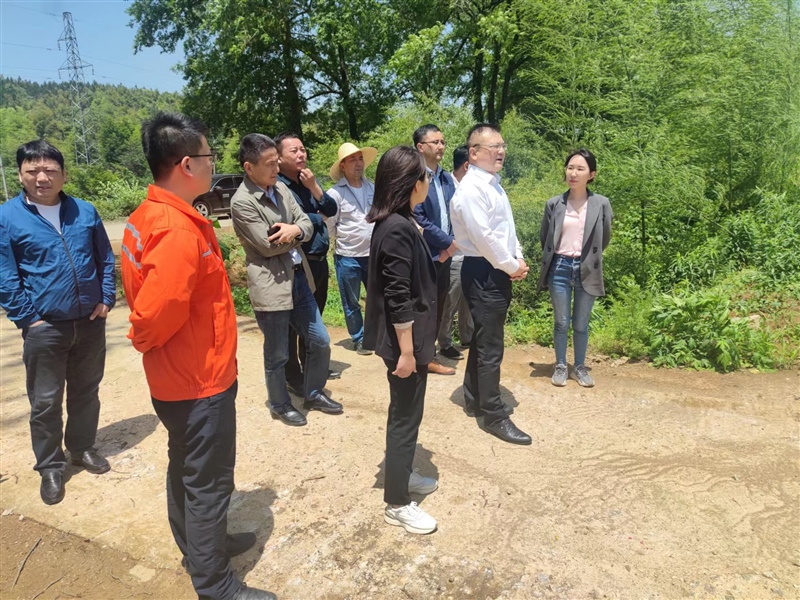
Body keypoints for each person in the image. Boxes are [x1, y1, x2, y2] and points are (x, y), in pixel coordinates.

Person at [120, 112, 275, 600]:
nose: (214, 163)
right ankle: (215, 585)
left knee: (185, 467)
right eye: (209, 156)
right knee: (208, 483)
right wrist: (143, 337)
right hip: (196, 382)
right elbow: (155, 312)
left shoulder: (154, 214)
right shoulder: (175, 229)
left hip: (180, 377)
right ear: (187, 164)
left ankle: (201, 548)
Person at [0, 140, 115, 506]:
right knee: (46, 401)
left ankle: (81, 448)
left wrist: (106, 298)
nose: (42, 177)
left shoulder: (84, 211)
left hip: (90, 322)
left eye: (49, 170)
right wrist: (29, 319)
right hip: (45, 328)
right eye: (32, 170)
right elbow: (5, 275)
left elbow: (105, 258)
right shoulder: (7, 217)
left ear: (63, 174)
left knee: (86, 391)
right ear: (20, 174)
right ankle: (50, 465)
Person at [231, 134, 342, 427]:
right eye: (269, 164)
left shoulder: (280, 188)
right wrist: (299, 231)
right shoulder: (242, 202)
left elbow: (306, 221)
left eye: (276, 163)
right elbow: (267, 245)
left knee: (319, 340)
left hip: (298, 277)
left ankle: (313, 393)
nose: (276, 169)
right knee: (278, 353)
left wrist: (295, 230)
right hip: (271, 285)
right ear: (249, 167)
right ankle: (280, 404)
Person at [363, 146, 439, 535]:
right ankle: (396, 503)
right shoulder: (395, 227)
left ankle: (402, 473)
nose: (428, 181)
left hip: (409, 341)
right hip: (402, 345)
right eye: (425, 175)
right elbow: (398, 296)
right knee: (405, 418)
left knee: (408, 413)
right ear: (411, 183)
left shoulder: (401, 221)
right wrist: (407, 352)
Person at [450, 124, 533, 446]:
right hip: (484, 270)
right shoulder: (472, 189)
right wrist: (512, 266)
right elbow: (484, 238)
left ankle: (473, 397)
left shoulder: (493, 184)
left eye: (502, 145)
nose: (501, 152)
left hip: (495, 267)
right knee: (490, 346)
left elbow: (506, 229)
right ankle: (494, 416)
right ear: (473, 153)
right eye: (493, 147)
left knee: (484, 339)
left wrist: (517, 257)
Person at [538, 148, 613, 388]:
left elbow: (605, 237)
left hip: (587, 268)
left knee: (581, 324)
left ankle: (579, 367)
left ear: (591, 174)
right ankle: (561, 365)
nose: (573, 173)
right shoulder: (554, 204)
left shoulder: (601, 204)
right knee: (561, 322)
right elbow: (545, 238)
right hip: (559, 267)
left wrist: (589, 258)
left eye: (580, 169)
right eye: (570, 167)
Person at [274, 132, 341, 392]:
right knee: (294, 323)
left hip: (319, 260)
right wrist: (316, 217)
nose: (301, 154)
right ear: (279, 158)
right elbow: (290, 222)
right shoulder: (278, 187)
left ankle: (311, 367)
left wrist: (314, 187)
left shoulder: (307, 179)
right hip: (297, 262)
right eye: (294, 151)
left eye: (302, 149)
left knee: (314, 319)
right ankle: (292, 375)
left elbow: (331, 209)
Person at [411, 124, 457, 375]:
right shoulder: (414, 177)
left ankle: (429, 354)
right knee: (423, 307)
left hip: (445, 255)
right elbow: (418, 217)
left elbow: (457, 213)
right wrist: (447, 243)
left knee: (439, 305)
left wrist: (451, 245)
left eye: (443, 142)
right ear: (421, 147)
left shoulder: (447, 178)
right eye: (435, 142)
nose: (441, 146)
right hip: (424, 254)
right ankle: (421, 356)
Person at [326, 142, 378, 355]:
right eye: (352, 160)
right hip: (348, 256)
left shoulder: (372, 188)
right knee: (352, 301)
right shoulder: (335, 193)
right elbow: (329, 225)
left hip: (373, 254)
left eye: (360, 159)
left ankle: (376, 335)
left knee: (377, 297)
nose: (358, 164)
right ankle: (359, 338)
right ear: (342, 166)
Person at [436, 144, 474, 357]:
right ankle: (445, 343)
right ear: (467, 166)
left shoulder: (474, 187)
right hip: (454, 253)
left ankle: (467, 337)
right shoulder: (447, 186)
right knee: (449, 301)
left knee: (468, 300)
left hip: (472, 254)